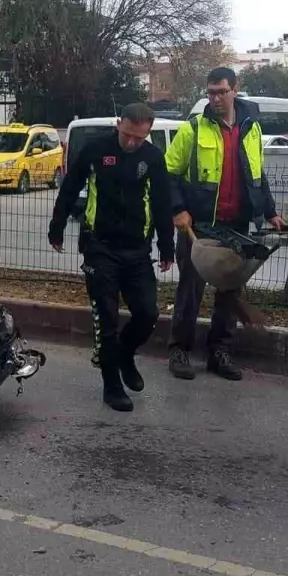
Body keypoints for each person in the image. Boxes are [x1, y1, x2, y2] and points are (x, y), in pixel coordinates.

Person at [48, 103, 175, 412]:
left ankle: (123, 354)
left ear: (148, 133)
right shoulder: (95, 149)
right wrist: (57, 226)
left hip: (137, 251)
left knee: (147, 314)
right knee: (105, 318)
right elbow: (70, 189)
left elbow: (161, 204)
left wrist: (167, 247)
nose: (131, 142)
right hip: (99, 247)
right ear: (119, 124)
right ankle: (112, 385)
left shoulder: (153, 158)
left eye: (138, 138)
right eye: (127, 134)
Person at [165, 67, 285, 382]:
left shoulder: (252, 128)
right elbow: (169, 174)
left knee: (230, 290)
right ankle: (179, 350)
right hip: (199, 225)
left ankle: (219, 352)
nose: (216, 98)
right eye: (211, 92)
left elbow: (257, 176)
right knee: (190, 290)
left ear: (235, 90)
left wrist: (270, 211)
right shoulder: (193, 128)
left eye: (221, 91)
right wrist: (178, 209)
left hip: (236, 225)